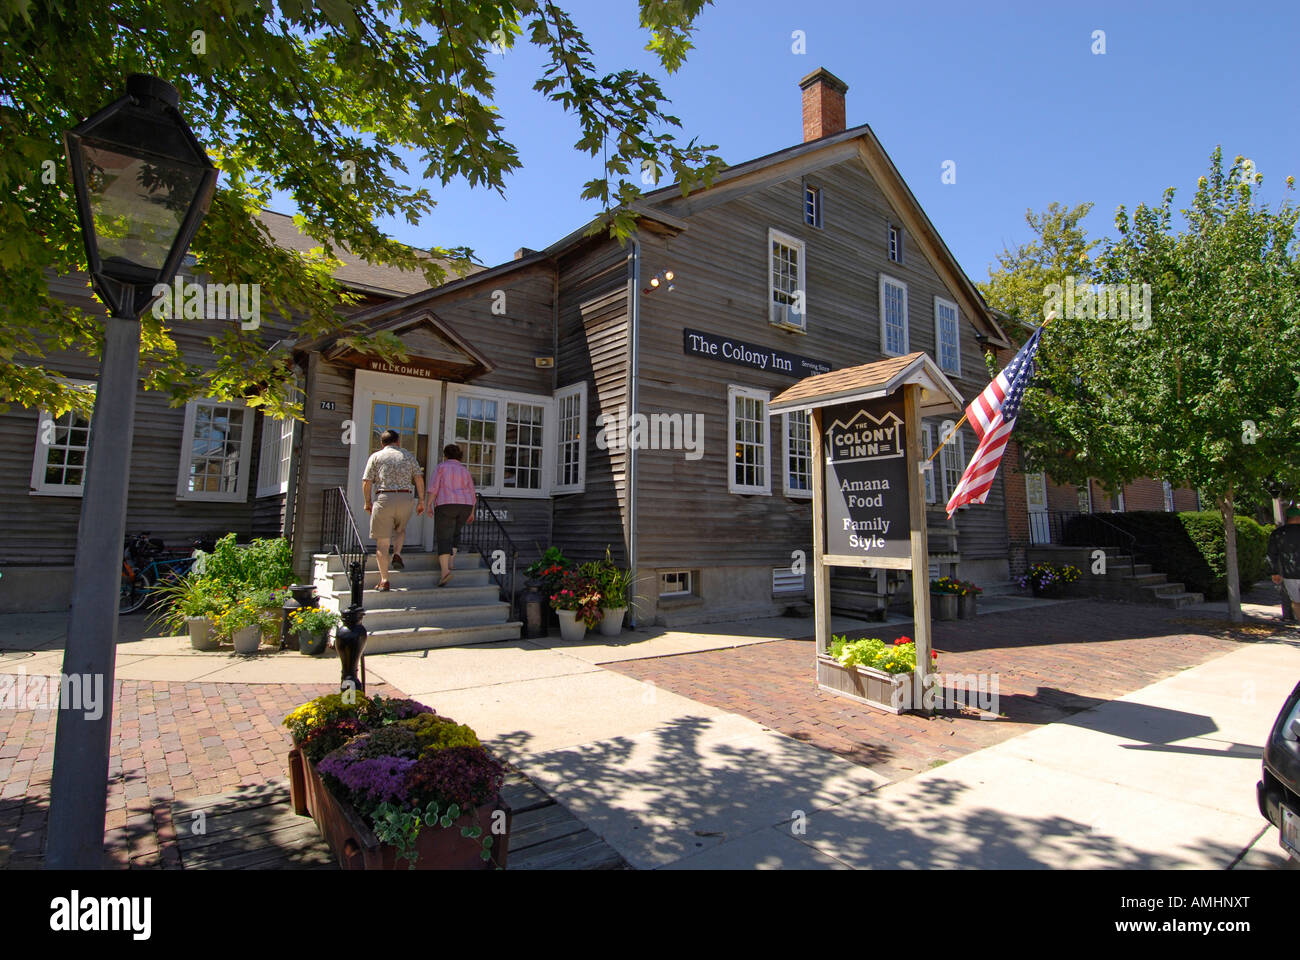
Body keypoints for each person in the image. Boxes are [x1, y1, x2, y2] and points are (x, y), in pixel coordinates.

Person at [362, 429, 426, 591]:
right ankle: (397, 552)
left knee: (382, 543)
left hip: (385, 498)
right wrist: (421, 501)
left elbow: (367, 481)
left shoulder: (376, 456)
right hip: (405, 498)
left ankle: (384, 580)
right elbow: (418, 478)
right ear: (398, 442)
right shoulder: (408, 456)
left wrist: (367, 502)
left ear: (382, 443)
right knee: (400, 528)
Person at [427, 443, 476, 587]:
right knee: (455, 533)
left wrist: (429, 504)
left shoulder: (441, 467)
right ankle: (451, 562)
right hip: (465, 505)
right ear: (459, 456)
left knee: (444, 536)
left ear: (445, 455)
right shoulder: (464, 470)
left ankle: (444, 572)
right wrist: (472, 511)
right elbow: (472, 493)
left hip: (446, 504)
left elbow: (434, 487)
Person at [1267, 505, 1300, 623]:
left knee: (1296, 601)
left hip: (1289, 574)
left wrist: (1274, 572)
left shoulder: (1278, 533)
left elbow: (1272, 554)